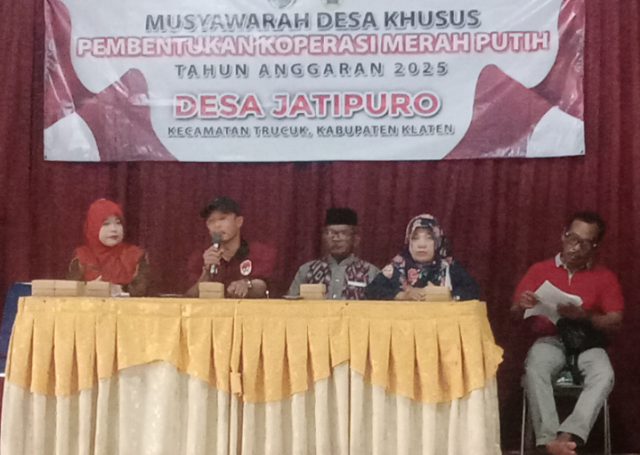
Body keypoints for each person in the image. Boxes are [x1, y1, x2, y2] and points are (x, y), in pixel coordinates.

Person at [512, 211, 624, 455]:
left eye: (585, 243)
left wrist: (584, 316)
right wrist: (522, 305)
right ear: (563, 235)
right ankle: (549, 438)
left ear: (595, 246)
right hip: (550, 339)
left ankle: (569, 434)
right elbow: (514, 312)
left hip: (588, 343)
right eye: (572, 238)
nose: (575, 247)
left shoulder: (605, 276)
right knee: (536, 367)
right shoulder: (540, 269)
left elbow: (616, 320)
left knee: (604, 374)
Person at [365, 214, 479, 301]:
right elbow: (370, 291)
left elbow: (473, 291)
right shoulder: (396, 267)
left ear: (438, 241)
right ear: (409, 241)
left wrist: (448, 295)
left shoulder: (449, 266)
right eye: (415, 238)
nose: (422, 245)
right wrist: (403, 295)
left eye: (429, 238)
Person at [186, 196, 275, 298]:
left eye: (222, 218)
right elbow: (187, 298)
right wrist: (206, 274)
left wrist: (247, 285)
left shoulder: (259, 252)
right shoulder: (199, 257)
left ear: (238, 222)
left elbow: (264, 286)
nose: (217, 225)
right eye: (211, 221)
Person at [287, 207, 379, 300]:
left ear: (355, 239)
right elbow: (291, 305)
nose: (336, 239)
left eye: (343, 233)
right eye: (330, 233)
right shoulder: (307, 271)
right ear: (323, 237)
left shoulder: (370, 273)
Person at [67, 199, 149, 296]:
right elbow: (70, 292)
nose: (114, 229)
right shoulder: (82, 256)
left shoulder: (135, 255)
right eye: (106, 224)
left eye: (118, 223)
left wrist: (120, 289)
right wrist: (90, 289)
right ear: (93, 227)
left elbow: (144, 292)